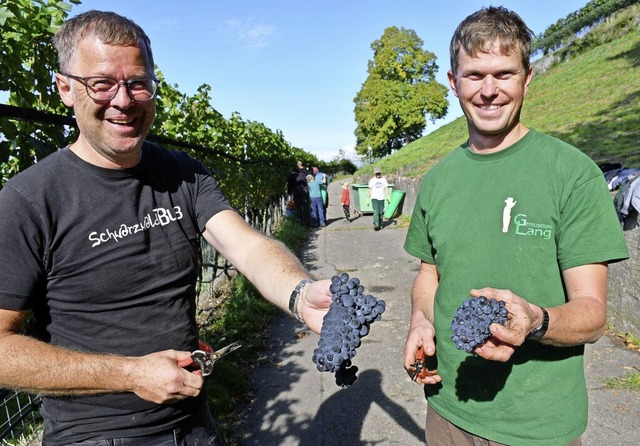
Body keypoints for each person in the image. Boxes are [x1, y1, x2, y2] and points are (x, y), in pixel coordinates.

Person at [0, 10, 332, 446]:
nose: (124, 100)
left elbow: (247, 247)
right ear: (65, 88)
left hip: (195, 426)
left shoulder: (183, 175)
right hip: (95, 437)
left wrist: (301, 294)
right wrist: (130, 374)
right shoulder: (28, 201)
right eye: (102, 83)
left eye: (138, 83)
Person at [402, 6, 629, 446]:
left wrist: (535, 320)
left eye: (504, 74)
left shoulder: (571, 173)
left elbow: (593, 314)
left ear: (527, 77)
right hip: (446, 409)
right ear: (454, 82)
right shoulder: (437, 180)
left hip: (537, 426)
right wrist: (418, 319)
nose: (489, 91)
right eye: (474, 75)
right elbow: (430, 274)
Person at [367, 167, 390, 231]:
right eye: (377, 174)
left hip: (381, 198)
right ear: (374, 174)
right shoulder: (372, 180)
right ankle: (376, 224)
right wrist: (368, 198)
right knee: (376, 211)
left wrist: (388, 196)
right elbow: (370, 189)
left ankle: (380, 222)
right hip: (374, 198)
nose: (378, 175)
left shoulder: (383, 180)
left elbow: (386, 188)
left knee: (381, 212)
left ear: (380, 173)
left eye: (379, 173)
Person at [287, 161, 310, 225]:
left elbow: (289, 184)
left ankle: (300, 221)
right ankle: (307, 222)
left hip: (296, 191)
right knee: (305, 206)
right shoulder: (305, 172)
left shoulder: (292, 174)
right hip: (304, 190)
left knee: (298, 206)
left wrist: (289, 193)